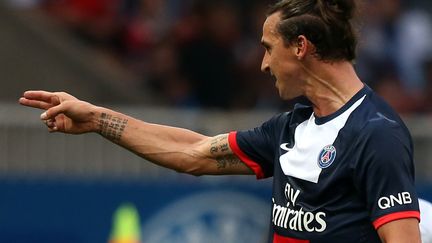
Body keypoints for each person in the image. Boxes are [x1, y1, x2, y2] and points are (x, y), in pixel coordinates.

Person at [19, 0, 421, 242]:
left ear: (301, 47)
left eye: (268, 49)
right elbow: (193, 152)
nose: (263, 64)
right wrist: (97, 118)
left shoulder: (376, 134)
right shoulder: (291, 128)